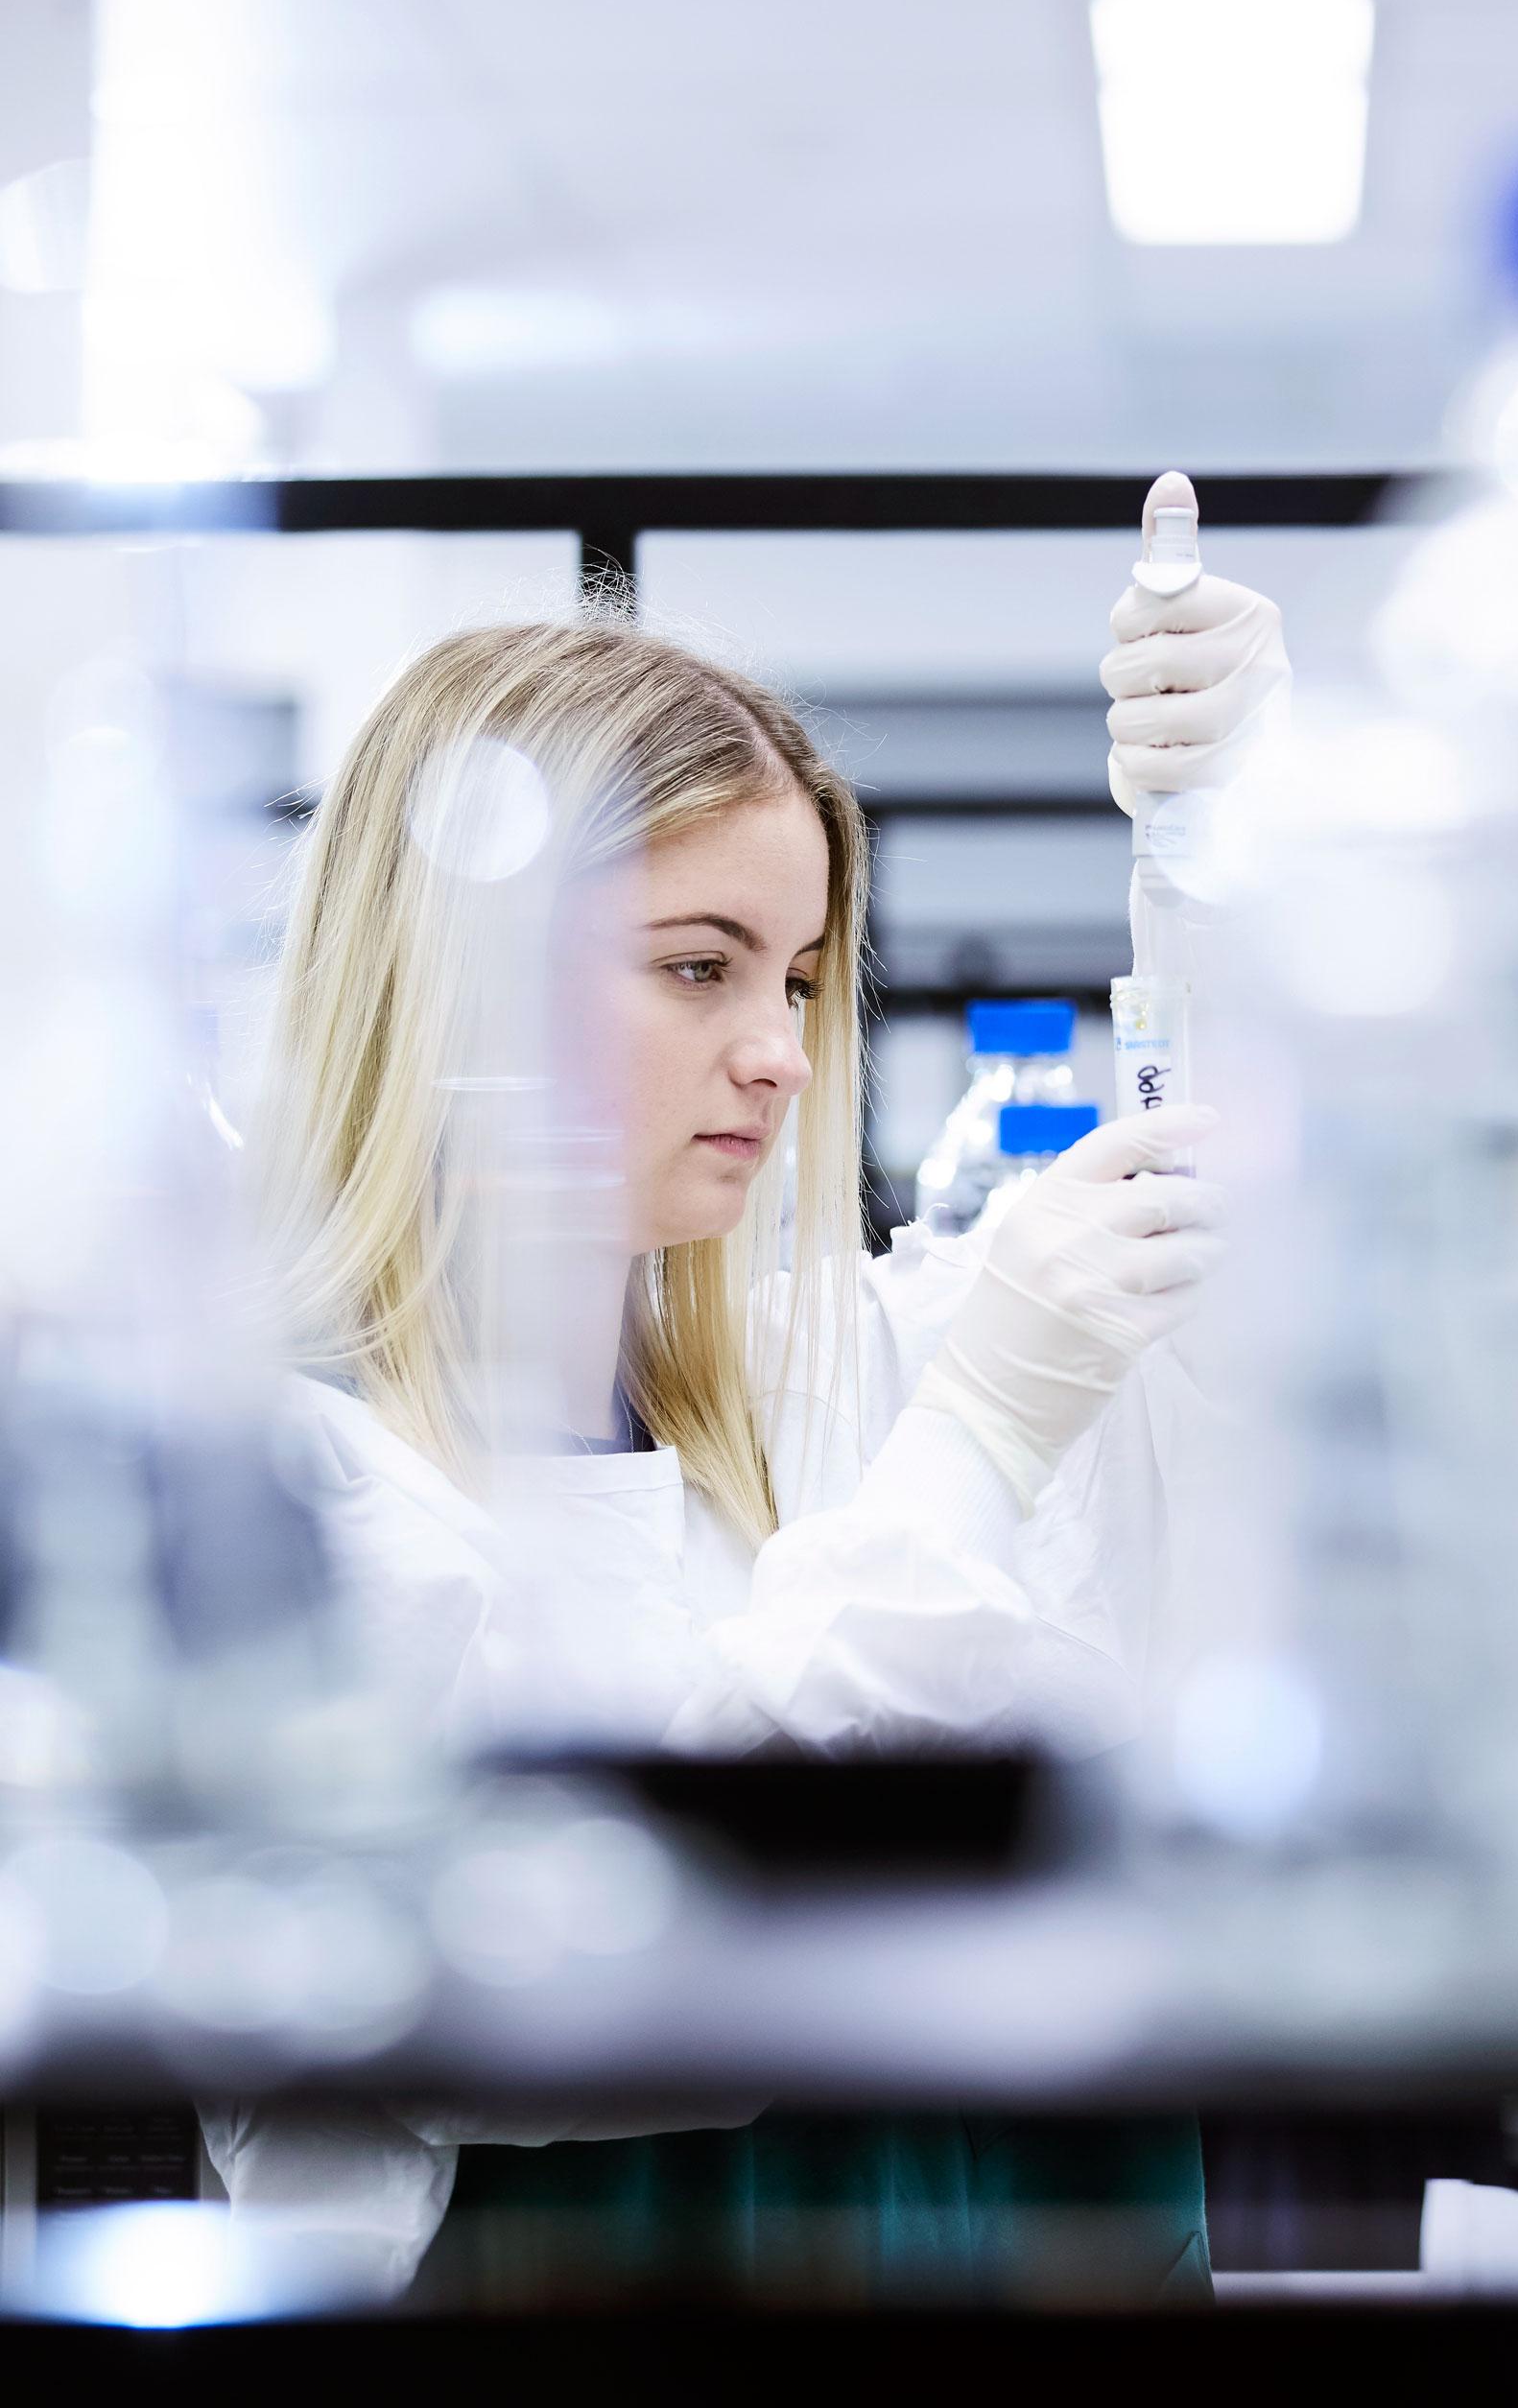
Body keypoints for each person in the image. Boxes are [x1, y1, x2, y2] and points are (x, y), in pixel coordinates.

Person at [202, 535, 1289, 2302]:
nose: (782, 1049)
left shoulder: (803, 1368)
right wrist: (984, 1432)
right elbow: (619, 1961)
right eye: (700, 966)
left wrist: (1215, 865)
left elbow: (1239, 1325)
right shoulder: (283, 1476)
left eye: (794, 977)